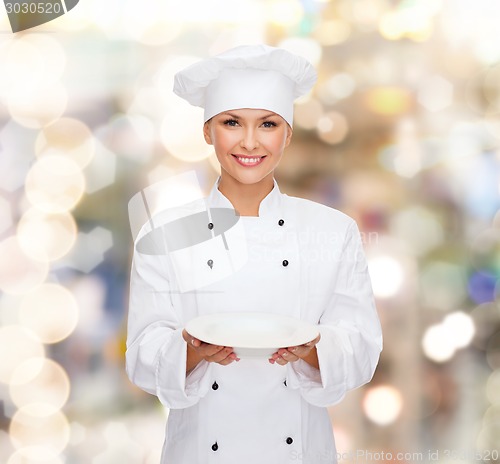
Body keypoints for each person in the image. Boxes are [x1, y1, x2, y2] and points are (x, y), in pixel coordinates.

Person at [126, 44, 382, 464]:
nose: (249, 141)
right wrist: (193, 350)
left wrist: (312, 349)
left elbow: (362, 348)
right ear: (207, 131)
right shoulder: (165, 234)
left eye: (267, 124)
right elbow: (141, 356)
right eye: (231, 122)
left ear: (288, 134)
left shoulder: (333, 232)